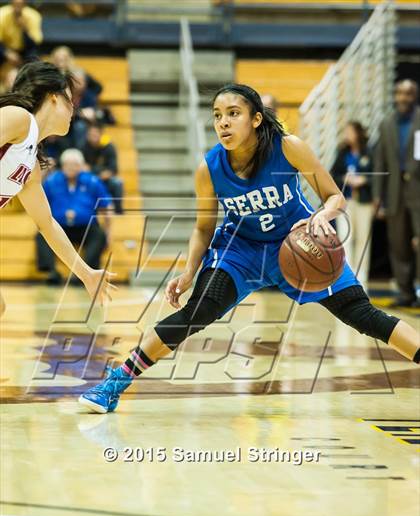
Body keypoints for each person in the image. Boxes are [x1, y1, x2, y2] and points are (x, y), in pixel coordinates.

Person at [79, 83, 420, 414]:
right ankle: (115, 382)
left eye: (233, 113)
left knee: (363, 314)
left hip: (297, 242)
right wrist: (188, 272)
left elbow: (335, 196)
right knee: (196, 313)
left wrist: (322, 217)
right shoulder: (209, 168)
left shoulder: (288, 147)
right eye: (217, 116)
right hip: (240, 251)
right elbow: (202, 228)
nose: (223, 123)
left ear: (256, 119)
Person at [0, 60, 115, 317]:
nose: (74, 107)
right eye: (69, 99)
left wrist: (86, 274)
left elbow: (47, 225)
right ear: (53, 97)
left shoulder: (31, 164)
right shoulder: (17, 117)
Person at [374, 79, 420, 308]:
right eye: (400, 93)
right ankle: (406, 294)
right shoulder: (386, 123)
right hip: (394, 192)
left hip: (418, 190)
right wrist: (377, 197)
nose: (404, 97)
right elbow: (379, 161)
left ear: (415, 96)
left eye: (408, 93)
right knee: (399, 244)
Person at [36, 148, 112, 285]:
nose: (70, 168)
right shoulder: (52, 181)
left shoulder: (92, 181)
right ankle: (52, 273)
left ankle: (84, 275)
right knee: (41, 234)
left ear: (81, 166)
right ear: (63, 166)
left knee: (99, 235)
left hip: (85, 228)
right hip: (59, 227)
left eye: (74, 164)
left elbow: (106, 206)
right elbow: (39, 201)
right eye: (67, 164)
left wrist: (109, 231)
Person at [331, 121, 374, 284]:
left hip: (364, 202)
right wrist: (345, 179)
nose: (346, 135)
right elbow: (333, 174)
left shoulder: (369, 152)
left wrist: (364, 180)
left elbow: (378, 176)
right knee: (345, 238)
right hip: (346, 202)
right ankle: (347, 278)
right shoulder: (342, 152)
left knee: (363, 240)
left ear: (358, 133)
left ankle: (362, 277)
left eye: (350, 131)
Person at [82, 123, 124, 214]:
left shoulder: (109, 147)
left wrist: (100, 175)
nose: (93, 136)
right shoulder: (84, 147)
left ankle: (118, 211)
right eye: (91, 134)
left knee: (117, 183)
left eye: (95, 134)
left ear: (101, 135)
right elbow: (82, 167)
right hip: (89, 179)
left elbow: (113, 169)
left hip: (104, 179)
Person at [0, 0, 42, 66]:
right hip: (5, 48)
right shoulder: (1, 14)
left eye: (20, 4)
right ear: (11, 3)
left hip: (25, 50)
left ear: (25, 4)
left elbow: (35, 42)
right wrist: (7, 53)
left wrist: (24, 29)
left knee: (33, 55)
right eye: (15, 4)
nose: (17, 8)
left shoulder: (33, 15)